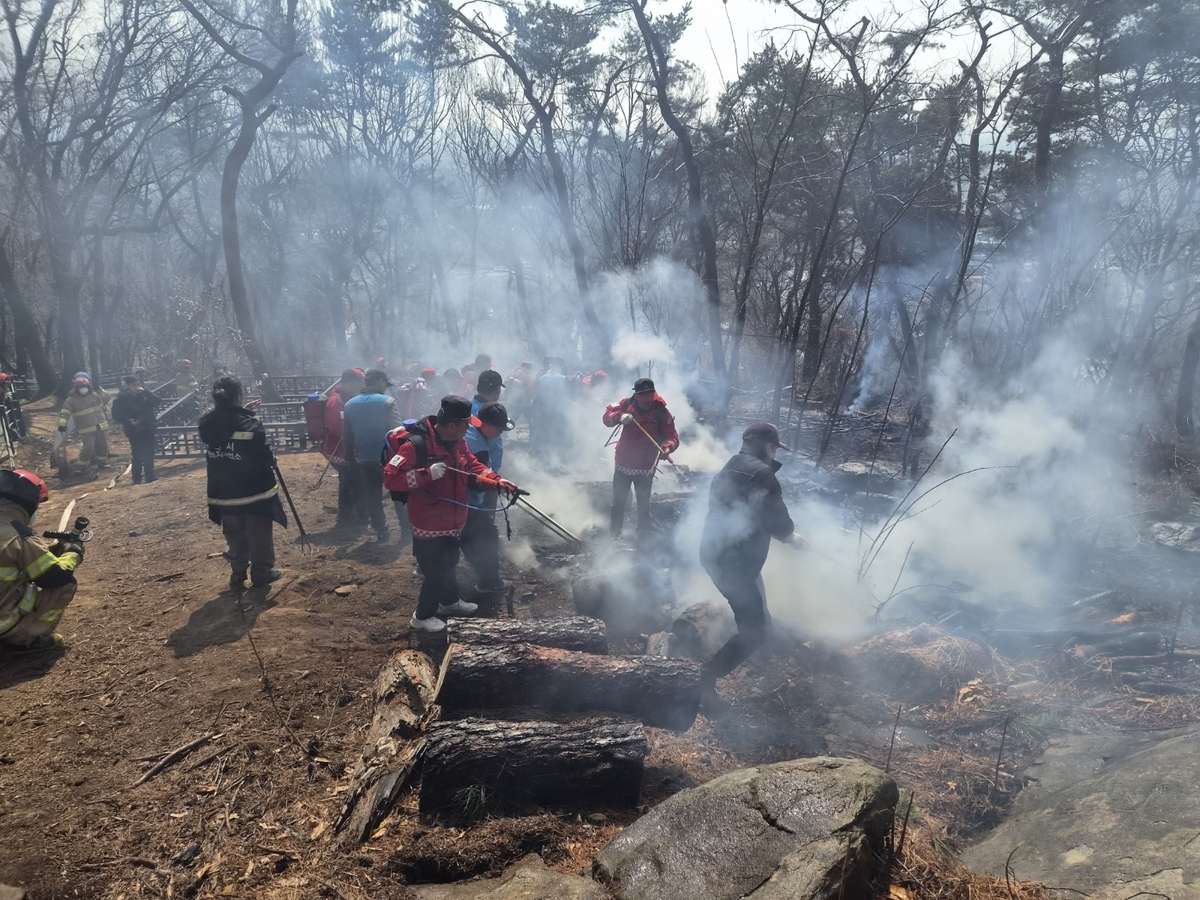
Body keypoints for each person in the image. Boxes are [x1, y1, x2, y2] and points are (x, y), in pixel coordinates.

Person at [384, 396, 520, 632]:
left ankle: (448, 603)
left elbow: (473, 465)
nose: (470, 429)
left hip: (454, 519)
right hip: (428, 523)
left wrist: (496, 481)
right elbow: (390, 478)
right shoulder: (415, 445)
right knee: (435, 573)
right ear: (452, 425)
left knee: (449, 563)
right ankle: (422, 616)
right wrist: (425, 474)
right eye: (467, 424)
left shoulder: (458, 443)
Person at [698, 422, 805, 710]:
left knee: (757, 599)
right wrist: (790, 536)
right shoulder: (763, 473)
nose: (775, 453)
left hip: (718, 553)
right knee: (754, 630)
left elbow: (745, 513)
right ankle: (703, 682)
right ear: (769, 447)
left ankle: (767, 646)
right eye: (775, 448)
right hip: (733, 563)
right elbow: (774, 516)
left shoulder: (731, 465)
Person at [198, 376, 285, 589]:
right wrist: (272, 460)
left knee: (234, 533)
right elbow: (262, 452)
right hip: (254, 492)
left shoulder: (207, 423)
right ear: (238, 396)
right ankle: (261, 574)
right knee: (259, 534)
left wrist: (239, 410)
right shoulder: (249, 424)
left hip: (223, 492)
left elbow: (225, 429)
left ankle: (238, 574)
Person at [0, 469, 83, 654]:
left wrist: (51, 549)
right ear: (28, 504)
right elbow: (53, 577)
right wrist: (74, 553)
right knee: (67, 584)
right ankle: (21, 640)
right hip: (4, 624)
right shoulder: (21, 535)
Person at [602, 378, 680, 543]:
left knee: (643, 504)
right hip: (623, 463)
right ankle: (614, 534)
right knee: (619, 501)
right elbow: (606, 416)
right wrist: (619, 416)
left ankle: (642, 537)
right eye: (643, 399)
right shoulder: (625, 404)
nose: (646, 403)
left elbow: (673, 437)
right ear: (636, 395)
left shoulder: (661, 411)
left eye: (649, 399)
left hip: (646, 466)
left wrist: (667, 448)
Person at [342, 368, 403, 542]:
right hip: (390, 459)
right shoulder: (388, 402)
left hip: (365, 458)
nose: (386, 387)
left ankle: (381, 531)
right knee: (399, 494)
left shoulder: (349, 405)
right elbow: (398, 433)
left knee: (372, 496)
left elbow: (347, 436)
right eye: (385, 384)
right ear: (379, 382)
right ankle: (406, 530)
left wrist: (351, 461)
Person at [461, 401, 514, 593]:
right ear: (487, 425)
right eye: (499, 430)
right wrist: (495, 485)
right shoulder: (479, 448)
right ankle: (489, 582)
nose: (500, 434)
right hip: (464, 500)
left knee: (463, 536)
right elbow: (476, 479)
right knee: (486, 535)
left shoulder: (471, 425)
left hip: (459, 498)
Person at [323, 368, 365, 527]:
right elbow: (337, 428)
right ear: (349, 384)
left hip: (346, 448)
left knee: (348, 482)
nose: (359, 388)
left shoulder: (346, 397)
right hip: (340, 450)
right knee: (350, 482)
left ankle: (347, 515)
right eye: (358, 385)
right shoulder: (337, 401)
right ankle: (346, 517)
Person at [57, 373, 112, 469]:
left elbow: (107, 397)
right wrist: (62, 424)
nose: (83, 388)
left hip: (100, 426)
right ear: (76, 388)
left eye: (85, 386)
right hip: (86, 429)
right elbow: (64, 413)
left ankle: (102, 462)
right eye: (80, 387)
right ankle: (81, 466)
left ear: (88, 386)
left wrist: (99, 388)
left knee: (102, 446)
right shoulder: (71, 400)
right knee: (88, 448)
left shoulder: (95, 395)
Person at [111, 375, 160, 484]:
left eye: (138, 384)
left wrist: (146, 392)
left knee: (149, 452)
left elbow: (157, 402)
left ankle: (150, 475)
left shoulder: (145, 395)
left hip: (148, 428)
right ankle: (137, 478)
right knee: (137, 454)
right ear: (128, 386)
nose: (137, 387)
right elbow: (116, 415)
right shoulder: (121, 399)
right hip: (134, 430)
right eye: (134, 385)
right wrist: (129, 421)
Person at [530, 358, 572, 461]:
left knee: (546, 435)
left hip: (545, 412)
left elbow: (537, 397)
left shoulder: (542, 378)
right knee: (559, 435)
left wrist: (535, 413)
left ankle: (546, 458)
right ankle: (558, 458)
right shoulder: (564, 378)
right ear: (560, 367)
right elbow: (569, 396)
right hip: (559, 412)